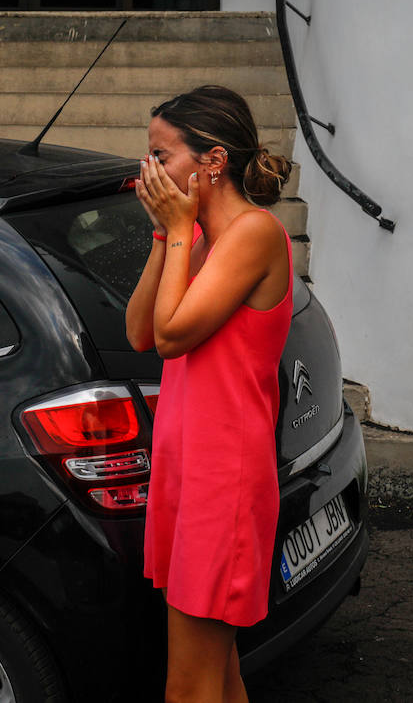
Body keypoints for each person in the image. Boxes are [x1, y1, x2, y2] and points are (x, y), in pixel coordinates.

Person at [126, 85, 294, 703]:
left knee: (188, 687)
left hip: (223, 485)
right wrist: (168, 234)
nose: (149, 170)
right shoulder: (198, 241)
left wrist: (178, 231)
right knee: (218, 681)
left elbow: (172, 336)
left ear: (212, 161)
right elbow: (141, 330)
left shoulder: (254, 235)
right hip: (187, 475)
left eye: (161, 155)